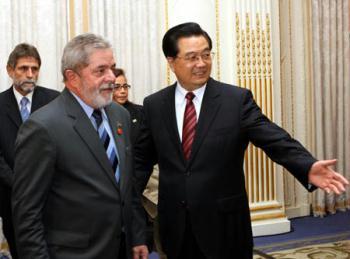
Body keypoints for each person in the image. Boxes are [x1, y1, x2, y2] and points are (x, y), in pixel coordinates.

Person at [133, 22, 349, 259]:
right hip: (175, 225)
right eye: (192, 57)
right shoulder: (154, 105)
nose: (201, 63)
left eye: (206, 55)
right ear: (171, 61)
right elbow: (140, 163)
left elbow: (274, 138)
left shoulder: (235, 100)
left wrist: (306, 165)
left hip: (224, 225)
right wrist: (128, 217)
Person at [11, 34, 148, 259]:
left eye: (112, 68)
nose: (112, 77)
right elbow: (27, 213)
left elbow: (126, 186)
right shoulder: (43, 127)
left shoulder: (119, 114)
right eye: (100, 70)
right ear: (72, 77)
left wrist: (137, 236)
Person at [0, 43, 59, 259]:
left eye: (35, 69)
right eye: (23, 69)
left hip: (51, 197)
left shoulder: (54, 100)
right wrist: (20, 184)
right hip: (11, 198)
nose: (30, 74)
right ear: (10, 70)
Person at [112, 68, 167, 258]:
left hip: (147, 182)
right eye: (117, 87)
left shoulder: (141, 112)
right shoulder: (103, 115)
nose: (122, 91)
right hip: (120, 183)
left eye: (125, 86)